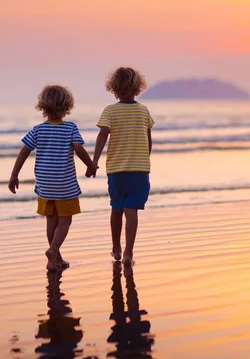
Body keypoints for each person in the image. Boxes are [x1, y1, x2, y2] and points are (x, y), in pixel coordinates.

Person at [8, 85, 97, 271]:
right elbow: (79, 149)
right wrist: (90, 165)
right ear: (67, 107)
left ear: (43, 107)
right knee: (65, 221)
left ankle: (55, 260)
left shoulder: (38, 130)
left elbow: (24, 151)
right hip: (64, 182)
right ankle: (53, 250)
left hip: (44, 182)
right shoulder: (70, 127)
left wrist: (14, 174)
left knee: (51, 220)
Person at [88, 67, 154, 267]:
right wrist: (144, 158)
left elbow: (102, 136)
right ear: (138, 87)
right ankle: (128, 252)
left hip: (116, 170)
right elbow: (149, 140)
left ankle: (116, 248)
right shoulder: (143, 110)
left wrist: (94, 161)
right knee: (131, 210)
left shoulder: (110, 110)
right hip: (139, 170)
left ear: (113, 88)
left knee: (116, 208)